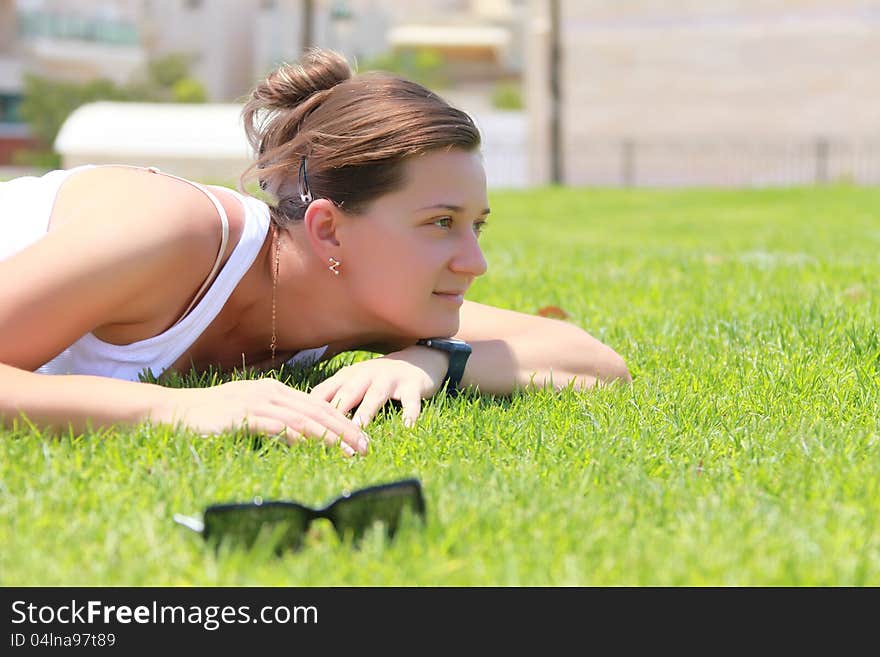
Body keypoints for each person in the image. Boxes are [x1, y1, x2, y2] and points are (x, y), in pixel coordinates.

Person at [0, 48, 630, 457]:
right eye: (441, 222)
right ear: (328, 230)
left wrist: (429, 365)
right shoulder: (168, 231)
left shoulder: (369, 308)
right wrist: (178, 407)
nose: (474, 262)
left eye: (476, 226)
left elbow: (593, 363)